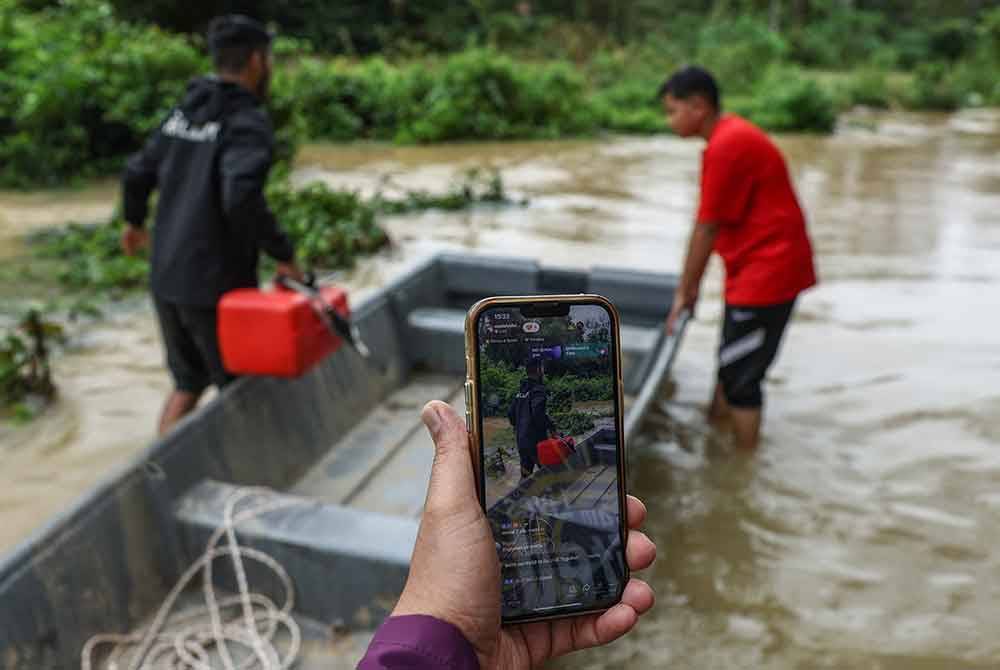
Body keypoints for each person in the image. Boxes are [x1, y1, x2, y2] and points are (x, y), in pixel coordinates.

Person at [358, 401, 657, 669]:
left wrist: (443, 641)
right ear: (538, 372)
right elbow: (543, 418)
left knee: (531, 477)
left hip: (524, 442)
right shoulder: (538, 393)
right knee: (553, 472)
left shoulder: (519, 396)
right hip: (539, 442)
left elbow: (514, 416)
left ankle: (532, 484)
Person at [120, 15, 302, 436]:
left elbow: (136, 172)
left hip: (166, 274)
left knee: (187, 382)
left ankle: (155, 472)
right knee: (237, 388)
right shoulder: (246, 120)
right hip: (214, 285)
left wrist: (133, 222)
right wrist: (284, 254)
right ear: (258, 61)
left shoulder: (184, 111)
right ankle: (255, 483)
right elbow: (240, 196)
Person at [661, 65, 817, 451]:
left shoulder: (727, 145)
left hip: (767, 274)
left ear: (698, 106)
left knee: (742, 378)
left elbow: (706, 228)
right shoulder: (730, 137)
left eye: (672, 110)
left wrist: (686, 291)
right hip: (758, 269)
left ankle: (742, 468)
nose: (669, 120)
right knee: (732, 361)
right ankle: (716, 435)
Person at [508, 358, 557, 479]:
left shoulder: (521, 390)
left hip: (521, 441)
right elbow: (538, 414)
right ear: (539, 370)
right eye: (542, 368)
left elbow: (510, 413)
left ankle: (521, 497)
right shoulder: (538, 390)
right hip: (536, 442)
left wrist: (519, 428)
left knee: (525, 476)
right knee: (548, 473)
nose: (543, 371)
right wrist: (551, 426)